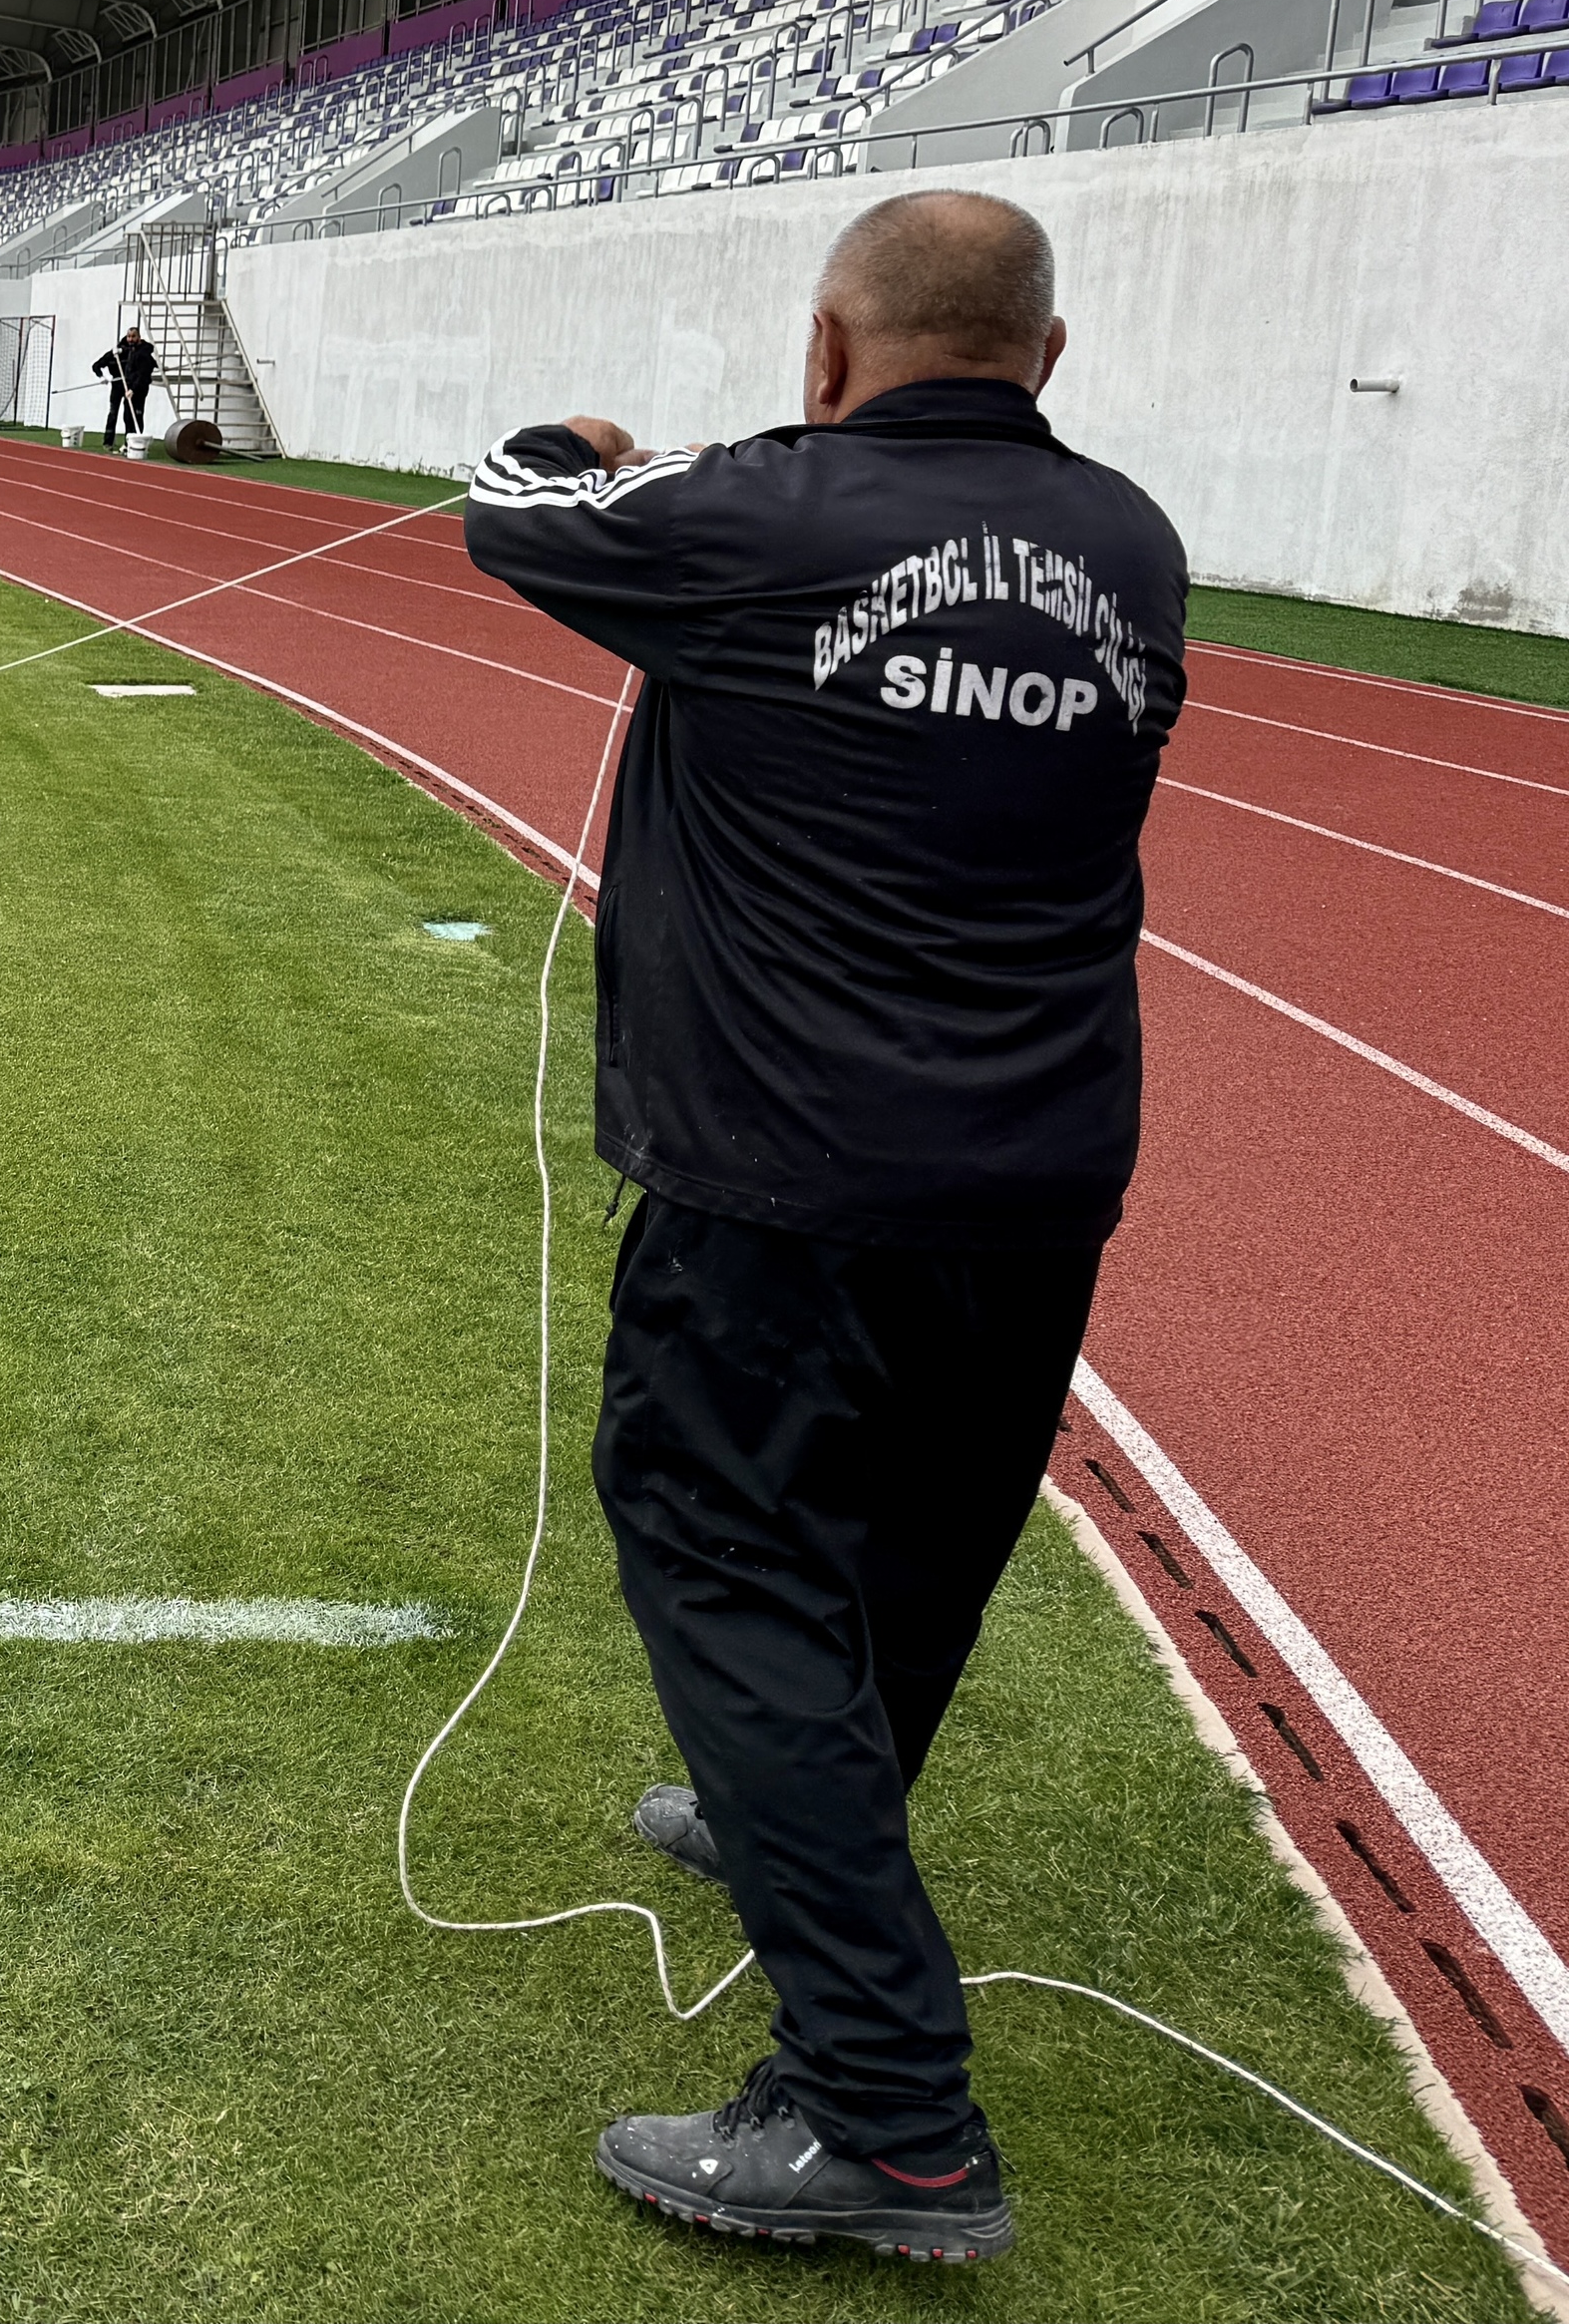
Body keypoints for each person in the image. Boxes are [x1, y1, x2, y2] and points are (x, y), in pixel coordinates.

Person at [463, 191, 1189, 2266]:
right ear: (1042, 359)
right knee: (907, 1556)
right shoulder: (1130, 543)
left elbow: (504, 512)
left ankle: (881, 2106)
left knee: (718, 1544)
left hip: (791, 1172)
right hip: (1037, 1170)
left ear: (817, 349)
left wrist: (586, 443)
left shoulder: (759, 510)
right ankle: (800, 1827)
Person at [90, 326, 157, 444]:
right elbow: (96, 365)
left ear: (138, 337)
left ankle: (131, 442)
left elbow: (147, 366)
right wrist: (102, 377)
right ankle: (108, 442)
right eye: (128, 337)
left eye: (133, 336)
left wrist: (159, 367)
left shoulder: (140, 352)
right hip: (117, 385)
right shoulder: (117, 351)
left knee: (130, 415)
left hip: (131, 386)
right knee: (113, 413)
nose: (130, 339)